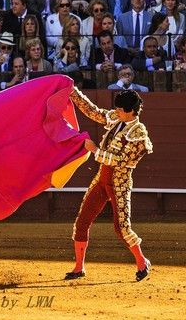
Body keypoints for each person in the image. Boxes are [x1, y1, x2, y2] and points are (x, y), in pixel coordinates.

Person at [64, 88, 153, 282]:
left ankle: (142, 262)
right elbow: (94, 111)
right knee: (82, 222)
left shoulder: (139, 134)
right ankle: (79, 267)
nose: (116, 113)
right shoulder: (117, 118)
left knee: (122, 228)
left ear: (130, 111)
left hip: (119, 183)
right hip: (101, 179)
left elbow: (120, 160)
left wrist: (95, 149)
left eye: (120, 110)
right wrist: (73, 92)